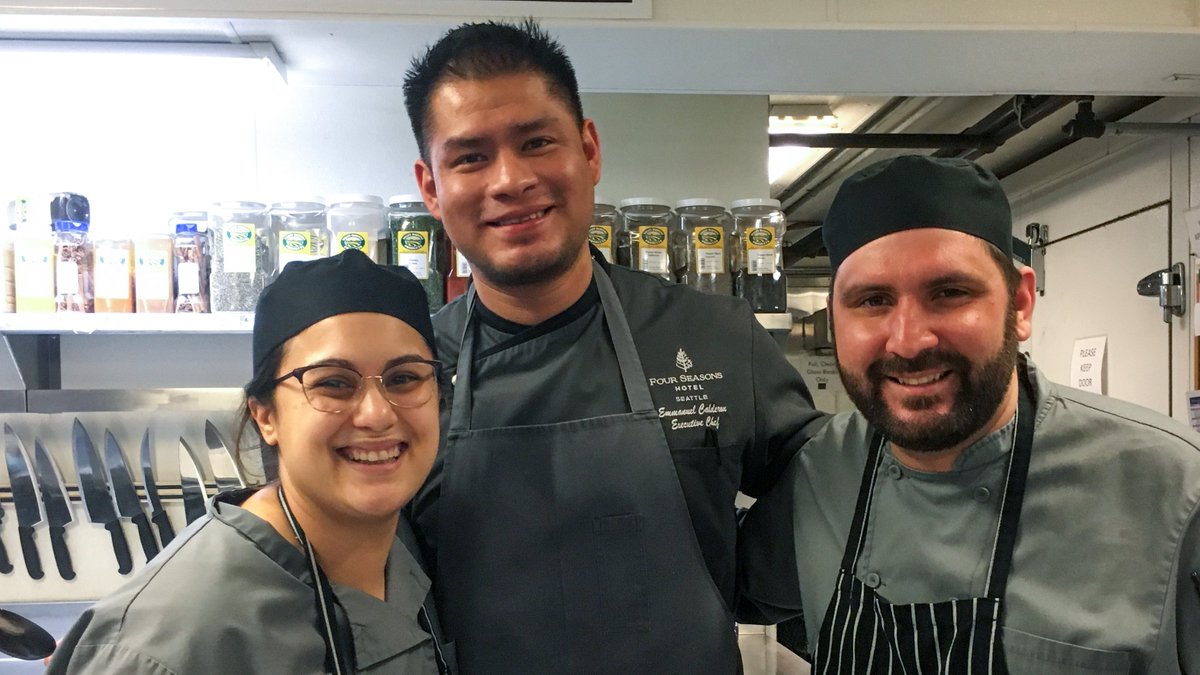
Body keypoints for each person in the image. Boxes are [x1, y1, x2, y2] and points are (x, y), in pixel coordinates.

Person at [402, 19, 826, 673]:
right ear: (431, 187)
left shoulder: (713, 338)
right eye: (470, 157)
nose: (509, 179)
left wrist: (744, 578)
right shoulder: (405, 376)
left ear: (589, 150)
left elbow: (830, 491)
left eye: (536, 142)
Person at [736, 154, 1200, 673]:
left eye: (950, 293)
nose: (909, 341)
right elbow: (715, 583)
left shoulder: (1175, 491)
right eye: (872, 300)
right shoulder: (821, 471)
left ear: (1020, 304)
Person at [46, 249, 451, 674]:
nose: (377, 414)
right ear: (266, 416)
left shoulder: (404, 563)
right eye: (333, 383)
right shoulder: (167, 642)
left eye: (404, 378)